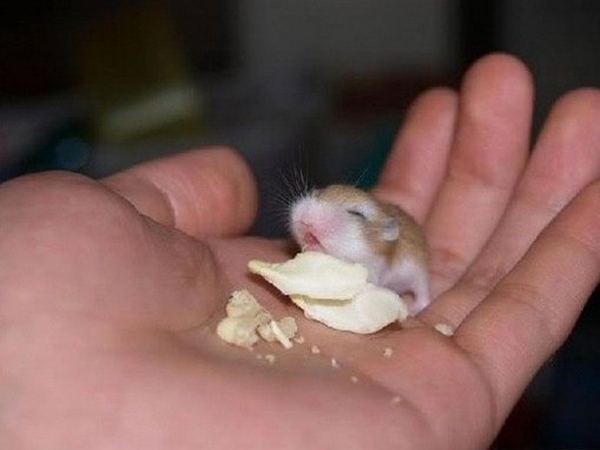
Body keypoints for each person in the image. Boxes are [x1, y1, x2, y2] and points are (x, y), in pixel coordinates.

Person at [1, 53, 599, 449]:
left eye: (349, 216)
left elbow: (383, 277)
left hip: (402, 265)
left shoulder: (392, 246)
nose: (311, 218)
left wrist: (409, 299)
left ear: (383, 233)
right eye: (314, 203)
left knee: (416, 280)